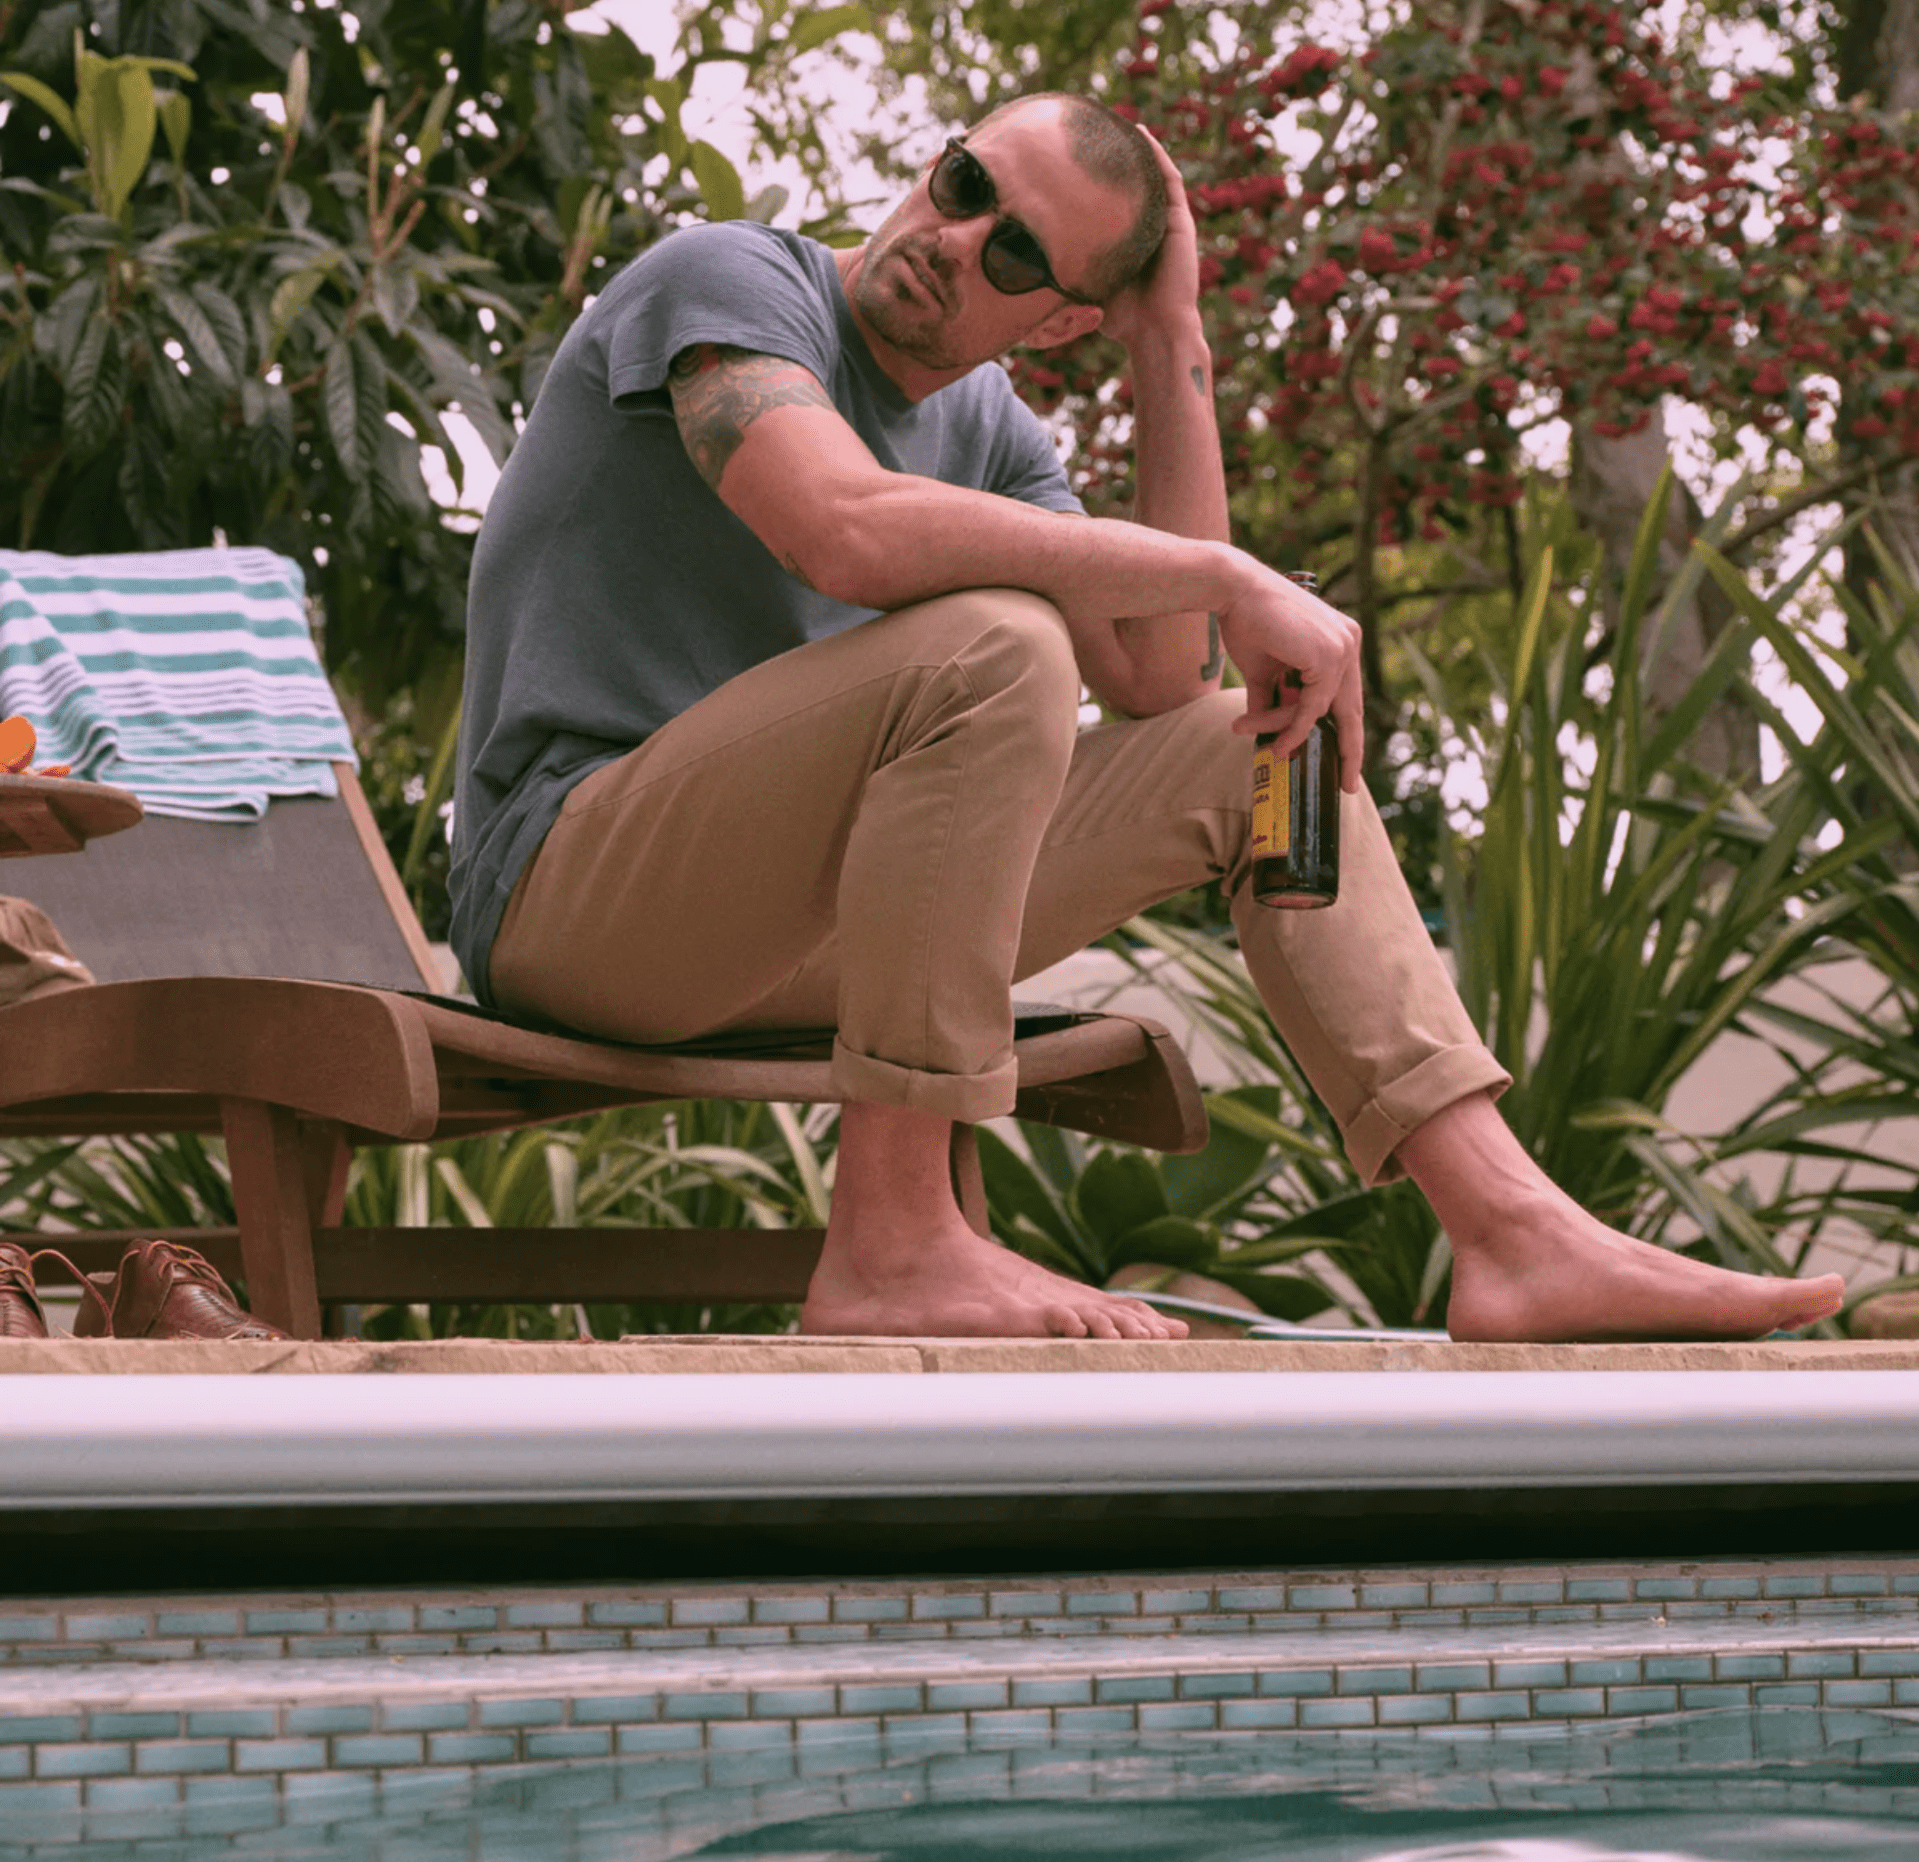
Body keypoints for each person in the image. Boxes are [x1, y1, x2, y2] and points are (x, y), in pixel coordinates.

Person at [448, 92, 1842, 1344]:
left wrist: (1171, 334)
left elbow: (1169, 678)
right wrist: (1230, 572)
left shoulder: (987, 425)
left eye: (1010, 254)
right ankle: (893, 1239)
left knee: (1259, 747)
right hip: (570, 896)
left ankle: (1506, 1229)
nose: (953, 234)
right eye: (960, 181)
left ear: (1056, 320)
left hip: (790, 937)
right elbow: (841, 530)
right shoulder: (732, 278)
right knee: (997, 642)